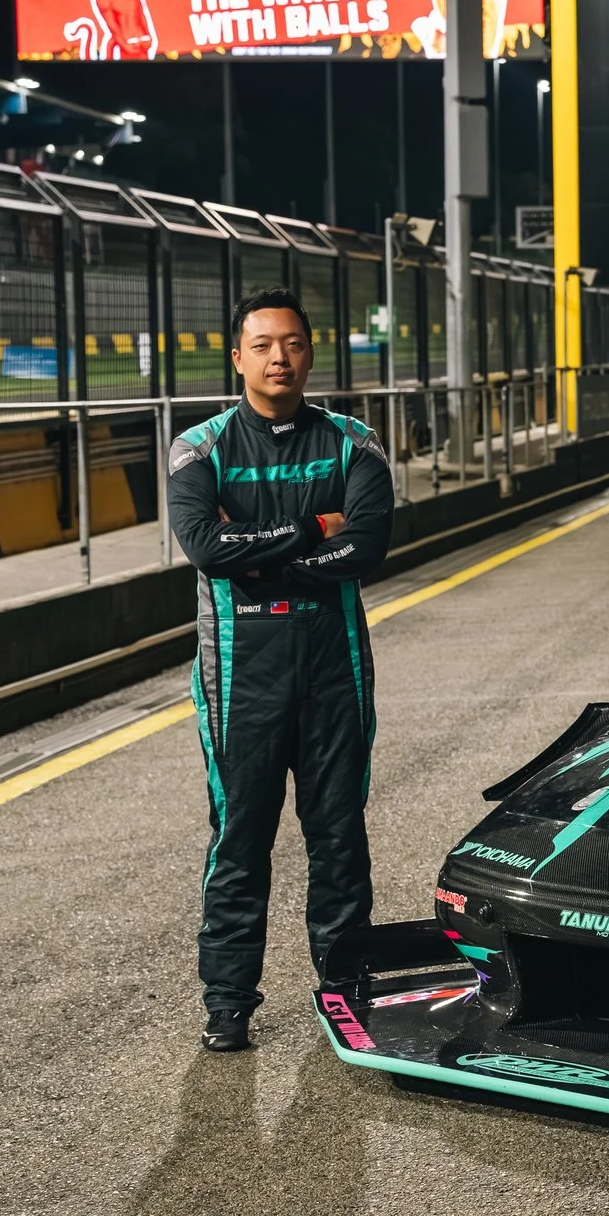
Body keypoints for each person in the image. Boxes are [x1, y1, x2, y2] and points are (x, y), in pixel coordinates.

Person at [168, 288, 393, 1052]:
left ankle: (345, 993)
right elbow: (203, 546)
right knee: (239, 840)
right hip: (240, 678)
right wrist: (308, 530)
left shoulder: (354, 443)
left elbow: (366, 545)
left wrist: (259, 552)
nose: (278, 358)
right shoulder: (199, 448)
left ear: (309, 352)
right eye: (262, 345)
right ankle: (227, 1005)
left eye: (292, 344)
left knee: (339, 837)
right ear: (237, 358)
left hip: (334, 672)